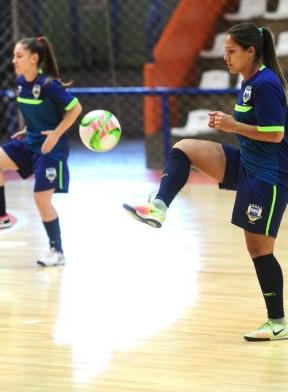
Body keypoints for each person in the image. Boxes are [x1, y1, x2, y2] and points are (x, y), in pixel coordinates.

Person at [124, 22, 288, 341]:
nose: (225, 57)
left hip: (270, 176)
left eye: (231, 51)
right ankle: (158, 207)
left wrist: (232, 125)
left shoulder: (266, 83)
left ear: (250, 52)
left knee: (259, 250)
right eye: (225, 51)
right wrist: (232, 125)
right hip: (248, 164)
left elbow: (277, 134)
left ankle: (278, 321)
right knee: (183, 149)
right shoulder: (250, 81)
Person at [0, 36, 82, 267]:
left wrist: (55, 134)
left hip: (50, 148)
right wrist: (26, 128)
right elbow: (39, 113)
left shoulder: (50, 85)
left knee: (41, 199)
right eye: (13, 56)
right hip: (29, 141)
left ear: (35, 58)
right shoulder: (21, 82)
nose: (14, 60)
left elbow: (75, 109)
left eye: (19, 56)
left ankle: (57, 250)